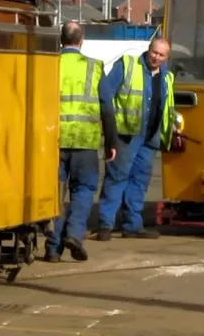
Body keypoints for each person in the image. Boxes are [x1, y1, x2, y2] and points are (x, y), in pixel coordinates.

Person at [46, 21, 117, 263]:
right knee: (84, 190)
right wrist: (111, 142)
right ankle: (75, 234)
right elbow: (107, 107)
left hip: (52, 140)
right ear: (82, 40)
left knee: (55, 193)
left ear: (60, 40)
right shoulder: (94, 67)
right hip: (85, 141)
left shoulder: (49, 64)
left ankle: (52, 248)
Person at [95, 37, 177, 241]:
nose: (156, 57)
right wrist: (109, 130)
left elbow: (166, 106)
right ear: (148, 50)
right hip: (127, 133)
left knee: (139, 180)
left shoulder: (167, 77)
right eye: (154, 52)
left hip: (150, 137)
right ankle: (106, 224)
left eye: (161, 55)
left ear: (167, 58)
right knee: (117, 177)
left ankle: (132, 224)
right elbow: (106, 93)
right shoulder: (127, 65)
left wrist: (170, 126)